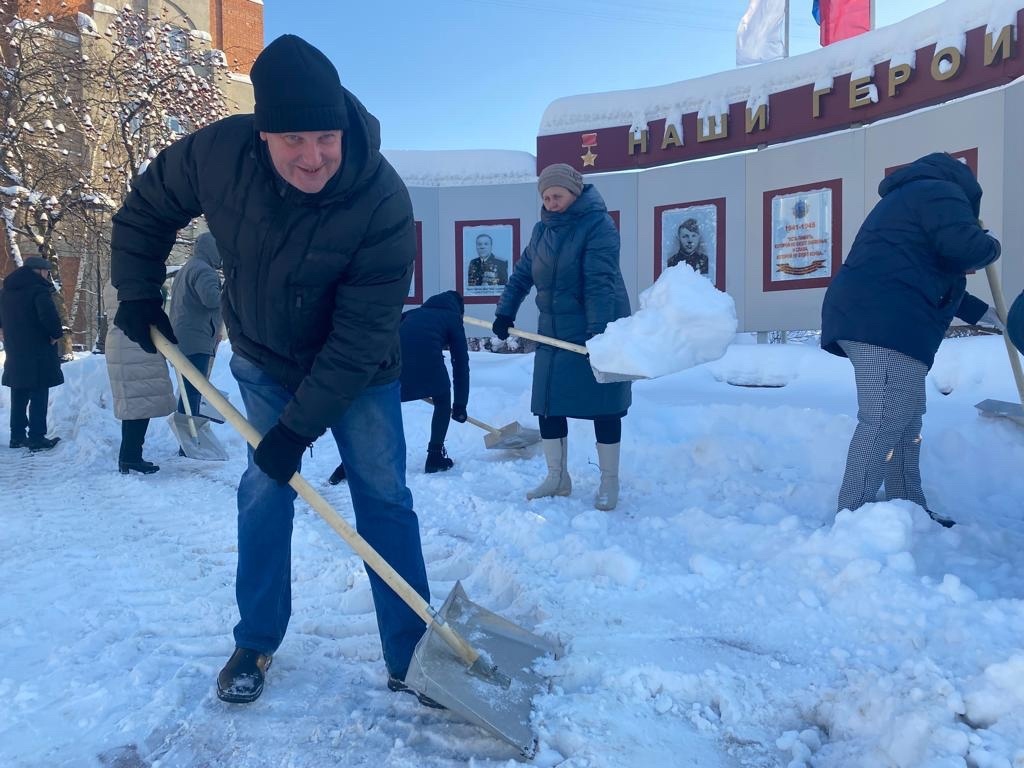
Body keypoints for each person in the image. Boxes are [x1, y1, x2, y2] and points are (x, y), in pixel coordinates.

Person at [108, 34, 435, 708]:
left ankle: (413, 653)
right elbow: (145, 208)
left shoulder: (382, 199)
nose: (312, 156)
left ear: (344, 127)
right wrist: (137, 291)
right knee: (263, 493)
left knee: (383, 498)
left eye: (325, 136)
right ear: (263, 135)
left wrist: (296, 431)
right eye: (293, 139)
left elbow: (359, 335)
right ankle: (255, 638)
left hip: (360, 371)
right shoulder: (217, 156)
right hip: (262, 357)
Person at [821, 152, 1002, 528]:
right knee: (885, 419)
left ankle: (907, 506)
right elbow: (968, 248)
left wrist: (989, 316)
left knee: (905, 420)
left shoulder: (915, 198)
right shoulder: (940, 192)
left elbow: (937, 280)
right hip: (884, 323)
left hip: (886, 320)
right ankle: (850, 522)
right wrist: (990, 244)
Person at [492, 163, 631, 511]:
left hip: (596, 324)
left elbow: (601, 281)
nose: (551, 202)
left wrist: (597, 335)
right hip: (553, 329)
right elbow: (523, 273)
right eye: (546, 197)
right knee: (547, 403)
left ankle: (608, 482)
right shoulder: (542, 231)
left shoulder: (598, 225)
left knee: (604, 406)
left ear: (574, 192)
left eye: (557, 195)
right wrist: (504, 311)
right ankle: (557, 477)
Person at [328, 290, 470, 484]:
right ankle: (435, 456)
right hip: (429, 370)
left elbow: (383, 336)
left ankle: (347, 465)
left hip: (391, 369)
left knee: (378, 411)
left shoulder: (411, 314)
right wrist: (460, 406)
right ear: (459, 310)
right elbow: (460, 362)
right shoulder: (453, 318)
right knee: (443, 399)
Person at [103, 281, 177, 474]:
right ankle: (130, 457)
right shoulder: (134, 284)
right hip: (135, 342)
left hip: (122, 343)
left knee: (134, 405)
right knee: (140, 404)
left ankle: (129, 456)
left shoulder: (114, 282)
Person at [0, 256, 64, 451]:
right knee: (38, 392)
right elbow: (48, 316)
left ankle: (17, 436)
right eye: (46, 271)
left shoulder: (6, 292)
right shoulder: (38, 290)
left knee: (18, 392)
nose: (47, 274)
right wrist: (55, 334)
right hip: (38, 349)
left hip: (15, 349)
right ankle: (36, 437)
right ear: (38, 271)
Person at [168, 232, 223, 419]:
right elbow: (211, 299)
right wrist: (230, 293)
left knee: (187, 390)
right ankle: (190, 441)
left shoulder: (187, 268)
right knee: (193, 391)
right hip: (197, 339)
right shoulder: (204, 270)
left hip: (183, 337)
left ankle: (188, 438)